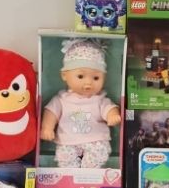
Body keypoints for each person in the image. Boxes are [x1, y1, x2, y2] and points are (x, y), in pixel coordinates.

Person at [41, 39, 120, 168]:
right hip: (67, 141)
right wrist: (47, 128)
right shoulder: (61, 99)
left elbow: (109, 108)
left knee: (99, 153)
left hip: (96, 140)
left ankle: (88, 174)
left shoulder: (100, 99)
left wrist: (112, 115)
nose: (88, 82)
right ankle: (72, 174)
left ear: (104, 78)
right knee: (65, 158)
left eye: (96, 78)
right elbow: (51, 112)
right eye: (80, 76)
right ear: (64, 75)